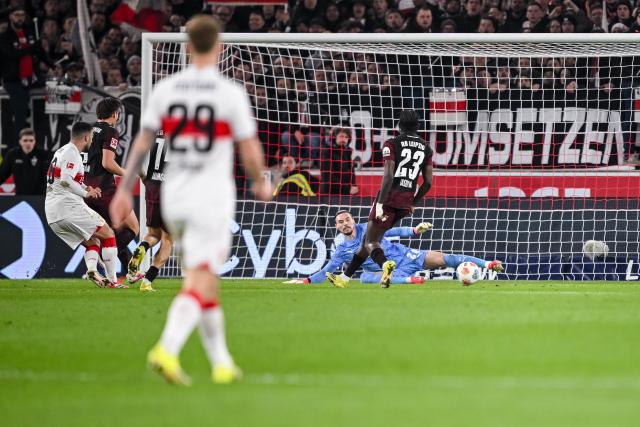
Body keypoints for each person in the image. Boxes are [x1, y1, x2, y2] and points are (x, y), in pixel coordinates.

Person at [109, 15, 272, 385]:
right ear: (219, 47)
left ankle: (222, 363)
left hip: (173, 197)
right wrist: (261, 182)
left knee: (205, 280)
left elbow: (142, 141)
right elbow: (248, 148)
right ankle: (166, 347)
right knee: (199, 279)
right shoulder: (229, 92)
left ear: (186, 46)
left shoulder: (167, 90)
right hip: (209, 198)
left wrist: (123, 190)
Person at [326, 110, 432, 288]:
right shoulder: (426, 147)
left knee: (370, 242)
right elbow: (428, 182)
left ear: (399, 126)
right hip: (405, 203)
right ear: (418, 126)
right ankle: (344, 279)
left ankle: (385, 265)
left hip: (388, 199)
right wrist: (413, 202)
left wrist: (381, 204)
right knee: (369, 239)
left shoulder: (391, 143)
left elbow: (388, 176)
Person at [284, 211, 503, 284]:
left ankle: (488, 264)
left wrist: (415, 231)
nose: (345, 224)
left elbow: (392, 231)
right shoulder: (341, 251)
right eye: (340, 222)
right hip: (391, 270)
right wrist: (306, 280)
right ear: (336, 227)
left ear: (353, 220)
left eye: (347, 219)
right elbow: (327, 271)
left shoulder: (367, 228)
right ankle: (410, 280)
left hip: (406, 256)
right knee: (365, 277)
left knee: (447, 258)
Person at [45, 122, 123, 289]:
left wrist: (86, 187)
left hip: (52, 213)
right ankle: (113, 282)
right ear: (87, 137)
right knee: (108, 234)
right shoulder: (72, 153)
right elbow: (66, 180)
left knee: (92, 240)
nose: (92, 141)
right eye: (92, 138)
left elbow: (65, 179)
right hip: (67, 207)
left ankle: (92, 270)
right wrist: (85, 193)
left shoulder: (61, 151)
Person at [85, 97, 140, 277]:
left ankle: (128, 271)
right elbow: (107, 163)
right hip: (103, 188)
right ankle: (102, 255)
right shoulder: (110, 131)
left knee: (112, 230)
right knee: (132, 228)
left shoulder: (88, 129)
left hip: (86, 188)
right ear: (115, 114)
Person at [126, 132, 171, 293]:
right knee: (168, 240)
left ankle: (142, 247)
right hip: (170, 190)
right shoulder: (183, 133)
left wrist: (144, 179)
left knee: (153, 234)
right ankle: (147, 281)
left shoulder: (153, 133)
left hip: (152, 188)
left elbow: (136, 158)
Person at [0, 6, 50, 140]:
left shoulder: (30, 32)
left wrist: (51, 64)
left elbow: (39, 52)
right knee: (20, 114)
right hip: (13, 81)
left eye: (22, 15)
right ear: (10, 16)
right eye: (17, 15)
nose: (20, 18)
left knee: (53, 87)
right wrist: (31, 48)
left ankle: (44, 138)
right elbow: (12, 54)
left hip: (31, 78)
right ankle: (18, 147)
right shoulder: (4, 37)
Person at [0, 128, 49, 195]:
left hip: (40, 198)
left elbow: (51, 177)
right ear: (20, 141)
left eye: (31, 140)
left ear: (35, 141)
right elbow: (2, 174)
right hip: (20, 197)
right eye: (25, 140)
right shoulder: (12, 155)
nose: (28, 143)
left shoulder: (43, 155)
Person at [320, 127, 358, 196]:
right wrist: (348, 188)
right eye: (341, 136)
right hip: (330, 195)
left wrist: (353, 185)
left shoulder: (347, 151)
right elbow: (328, 177)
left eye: (346, 137)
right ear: (334, 137)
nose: (343, 139)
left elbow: (351, 171)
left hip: (345, 193)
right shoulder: (327, 152)